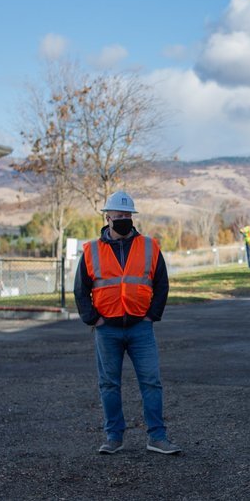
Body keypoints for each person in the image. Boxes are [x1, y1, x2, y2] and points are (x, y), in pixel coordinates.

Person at [74, 190, 181, 456]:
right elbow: (80, 289)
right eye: (118, 215)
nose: (123, 219)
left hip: (140, 327)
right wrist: (93, 319)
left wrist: (152, 315)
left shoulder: (149, 246)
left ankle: (157, 437)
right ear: (107, 217)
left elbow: (161, 284)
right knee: (109, 384)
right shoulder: (91, 250)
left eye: (127, 215)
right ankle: (114, 437)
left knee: (151, 382)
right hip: (107, 328)